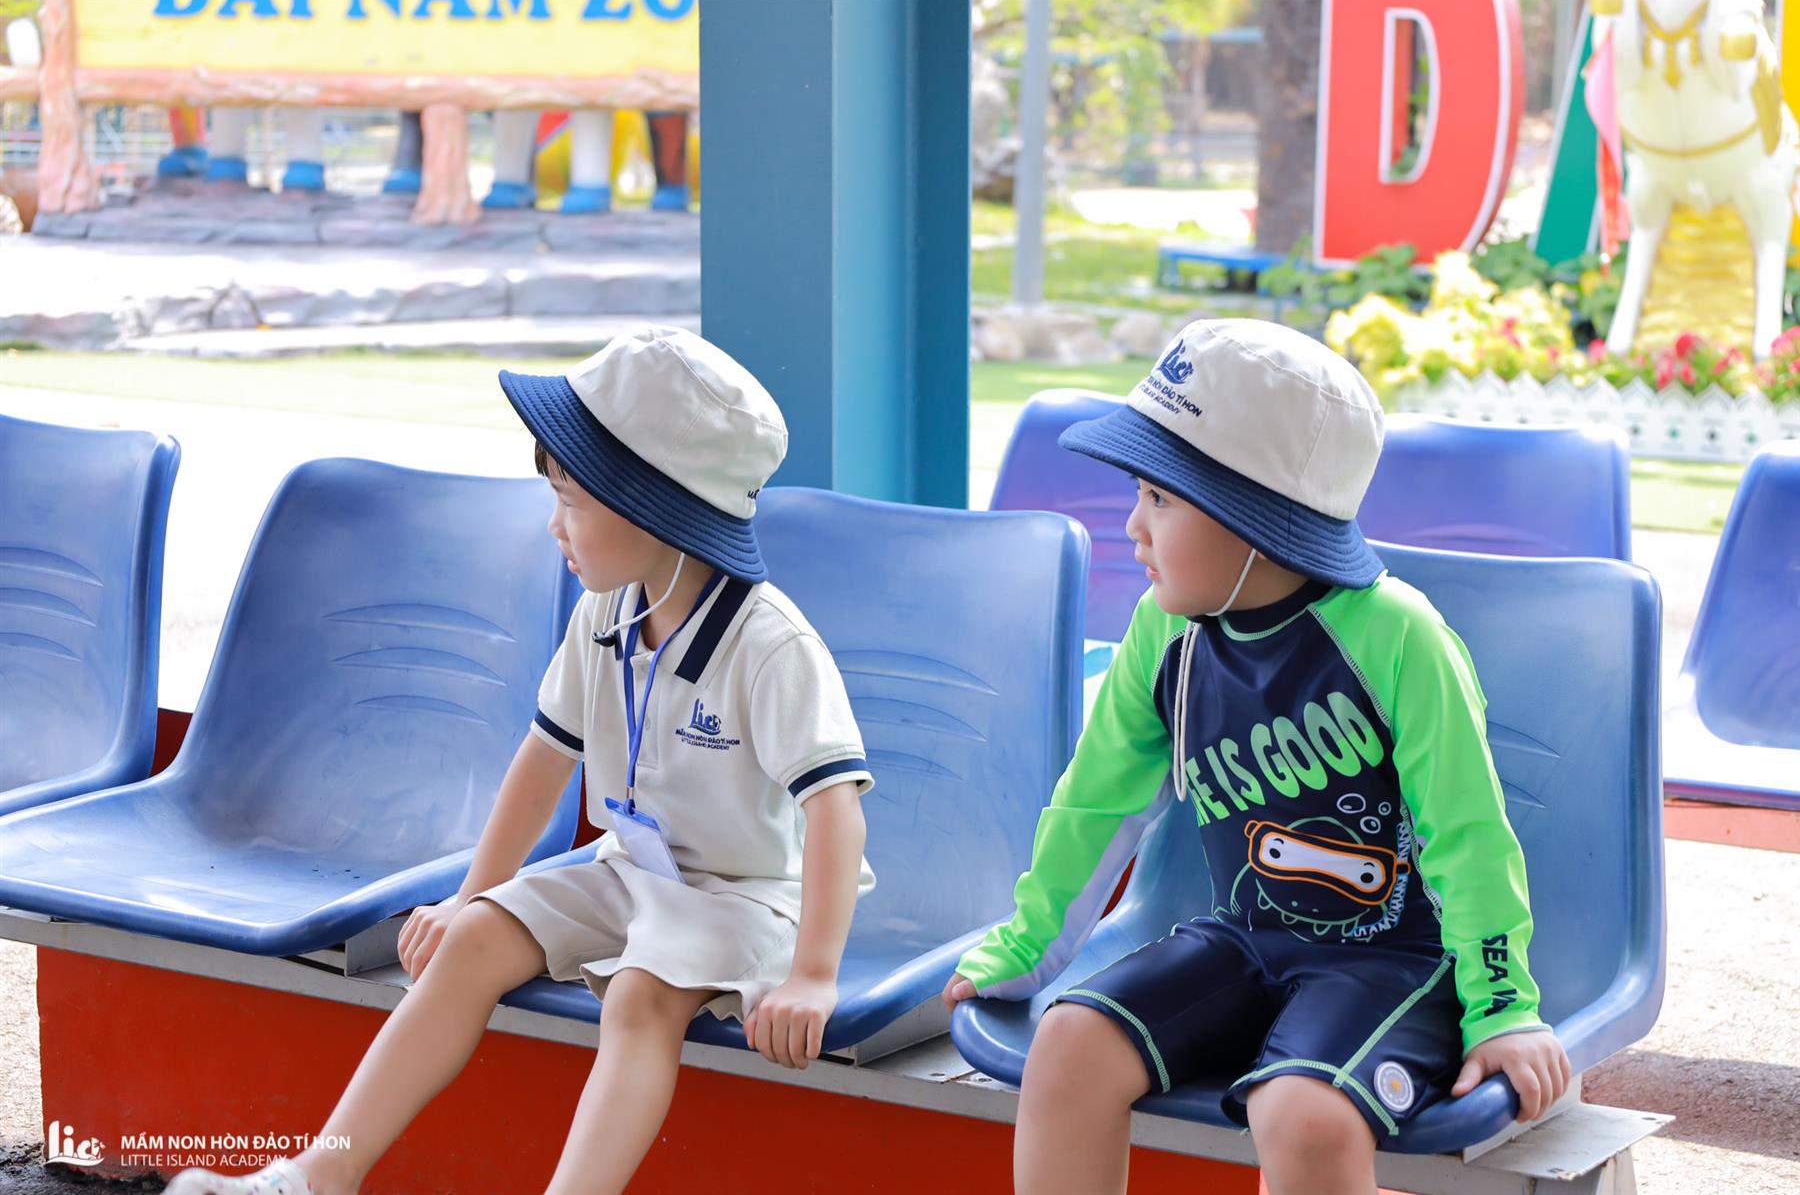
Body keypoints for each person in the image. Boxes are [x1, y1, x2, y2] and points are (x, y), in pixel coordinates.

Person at [168, 325, 876, 1195]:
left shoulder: (770, 645)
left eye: (571, 499)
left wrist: (812, 975)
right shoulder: (606, 613)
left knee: (641, 994)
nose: (553, 524)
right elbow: (543, 759)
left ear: (652, 507)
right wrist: (473, 894)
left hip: (746, 896)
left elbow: (835, 807)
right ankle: (319, 1175)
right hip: (628, 872)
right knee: (472, 939)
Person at [942, 319, 1571, 1195]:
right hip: (1242, 938)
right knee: (1069, 1045)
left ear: (1255, 515)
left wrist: (1503, 1005)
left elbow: (1468, 833)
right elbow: (1097, 802)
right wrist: (1027, 944)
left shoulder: (1400, 637)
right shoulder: (1164, 630)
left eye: (1160, 498)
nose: (1132, 526)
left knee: (1302, 1114)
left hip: (1391, 963)